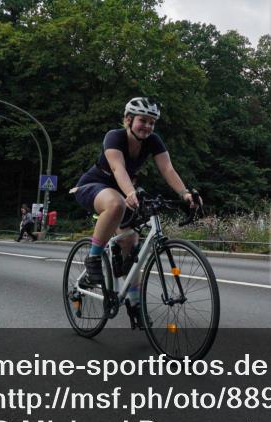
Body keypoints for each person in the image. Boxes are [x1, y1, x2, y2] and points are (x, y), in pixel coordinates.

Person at [71, 97, 199, 309]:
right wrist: (130, 192)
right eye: (143, 120)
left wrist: (185, 194)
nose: (147, 126)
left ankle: (134, 302)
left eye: (152, 122)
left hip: (123, 191)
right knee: (116, 204)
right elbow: (117, 169)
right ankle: (93, 260)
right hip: (93, 186)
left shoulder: (153, 141)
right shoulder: (114, 137)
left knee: (131, 245)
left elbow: (167, 169)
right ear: (129, 119)